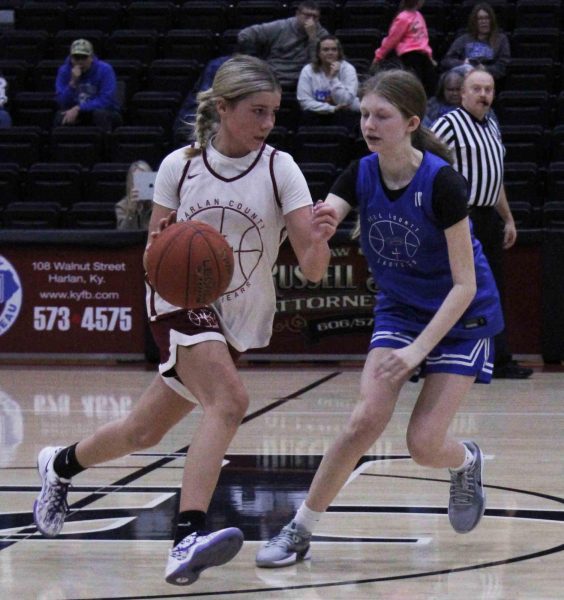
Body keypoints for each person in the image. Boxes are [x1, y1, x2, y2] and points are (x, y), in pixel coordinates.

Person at [33, 55, 338, 586]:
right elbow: (157, 249)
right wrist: (183, 271)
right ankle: (186, 537)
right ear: (222, 107)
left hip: (238, 316)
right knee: (231, 401)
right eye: (257, 111)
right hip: (176, 300)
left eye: (273, 113)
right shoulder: (179, 166)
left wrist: (319, 237)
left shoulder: (280, 167)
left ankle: (59, 466)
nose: (268, 123)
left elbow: (312, 271)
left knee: (142, 431)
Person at [255, 68, 504, 568]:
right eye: (364, 113)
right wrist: (321, 226)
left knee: (423, 444)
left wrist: (416, 352)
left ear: (411, 121)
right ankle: (299, 529)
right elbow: (328, 216)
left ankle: (466, 460)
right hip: (401, 310)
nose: (369, 123)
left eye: (381, 116)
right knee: (363, 420)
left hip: (462, 316)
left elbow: (465, 284)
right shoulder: (360, 172)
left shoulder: (443, 183)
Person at [431, 67, 532, 380]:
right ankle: (440, 358)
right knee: (460, 288)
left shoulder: (492, 125)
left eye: (488, 89)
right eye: (477, 89)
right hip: (463, 216)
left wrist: (508, 218)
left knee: (492, 289)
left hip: (489, 217)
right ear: (462, 93)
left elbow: (494, 177)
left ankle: (497, 360)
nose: (484, 95)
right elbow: (426, 164)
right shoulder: (448, 123)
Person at [237, 0, 329, 88]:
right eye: (307, 16)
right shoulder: (281, 26)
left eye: (315, 17)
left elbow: (319, 64)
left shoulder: (322, 34)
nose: (311, 20)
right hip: (274, 77)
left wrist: (312, 38)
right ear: (297, 14)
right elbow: (244, 34)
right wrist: (255, 60)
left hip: (302, 81)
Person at [54, 39, 122, 131]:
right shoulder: (64, 71)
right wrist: (73, 83)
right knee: (60, 117)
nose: (80, 62)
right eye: (77, 58)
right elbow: (62, 102)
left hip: (104, 111)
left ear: (91, 57)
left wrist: (80, 108)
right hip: (75, 112)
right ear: (71, 58)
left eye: (84, 57)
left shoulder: (105, 70)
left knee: (100, 115)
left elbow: (106, 100)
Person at [297, 34, 360, 132]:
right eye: (326, 50)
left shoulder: (348, 69)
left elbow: (346, 100)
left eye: (334, 49)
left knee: (347, 115)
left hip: (344, 115)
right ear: (318, 53)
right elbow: (304, 102)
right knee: (306, 116)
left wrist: (333, 78)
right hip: (317, 114)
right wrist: (331, 108)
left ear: (339, 52)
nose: (330, 52)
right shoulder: (308, 70)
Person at [372, 0, 436, 96]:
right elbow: (392, 39)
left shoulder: (418, 15)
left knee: (430, 85)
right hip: (410, 56)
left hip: (423, 55)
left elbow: (424, 38)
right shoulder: (403, 17)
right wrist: (379, 56)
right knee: (414, 85)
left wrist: (430, 56)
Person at [440, 2, 510, 85]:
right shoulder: (463, 39)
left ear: (492, 20)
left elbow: (503, 66)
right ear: (474, 22)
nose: (484, 21)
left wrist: (485, 69)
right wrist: (463, 64)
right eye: (480, 19)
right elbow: (447, 61)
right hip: (465, 79)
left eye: (487, 18)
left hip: (491, 80)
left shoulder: (501, 40)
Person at [115, 160, 154, 230]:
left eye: (144, 179)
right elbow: (122, 232)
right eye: (138, 180)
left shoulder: (158, 204)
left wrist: (153, 206)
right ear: (131, 182)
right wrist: (131, 211)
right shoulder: (122, 206)